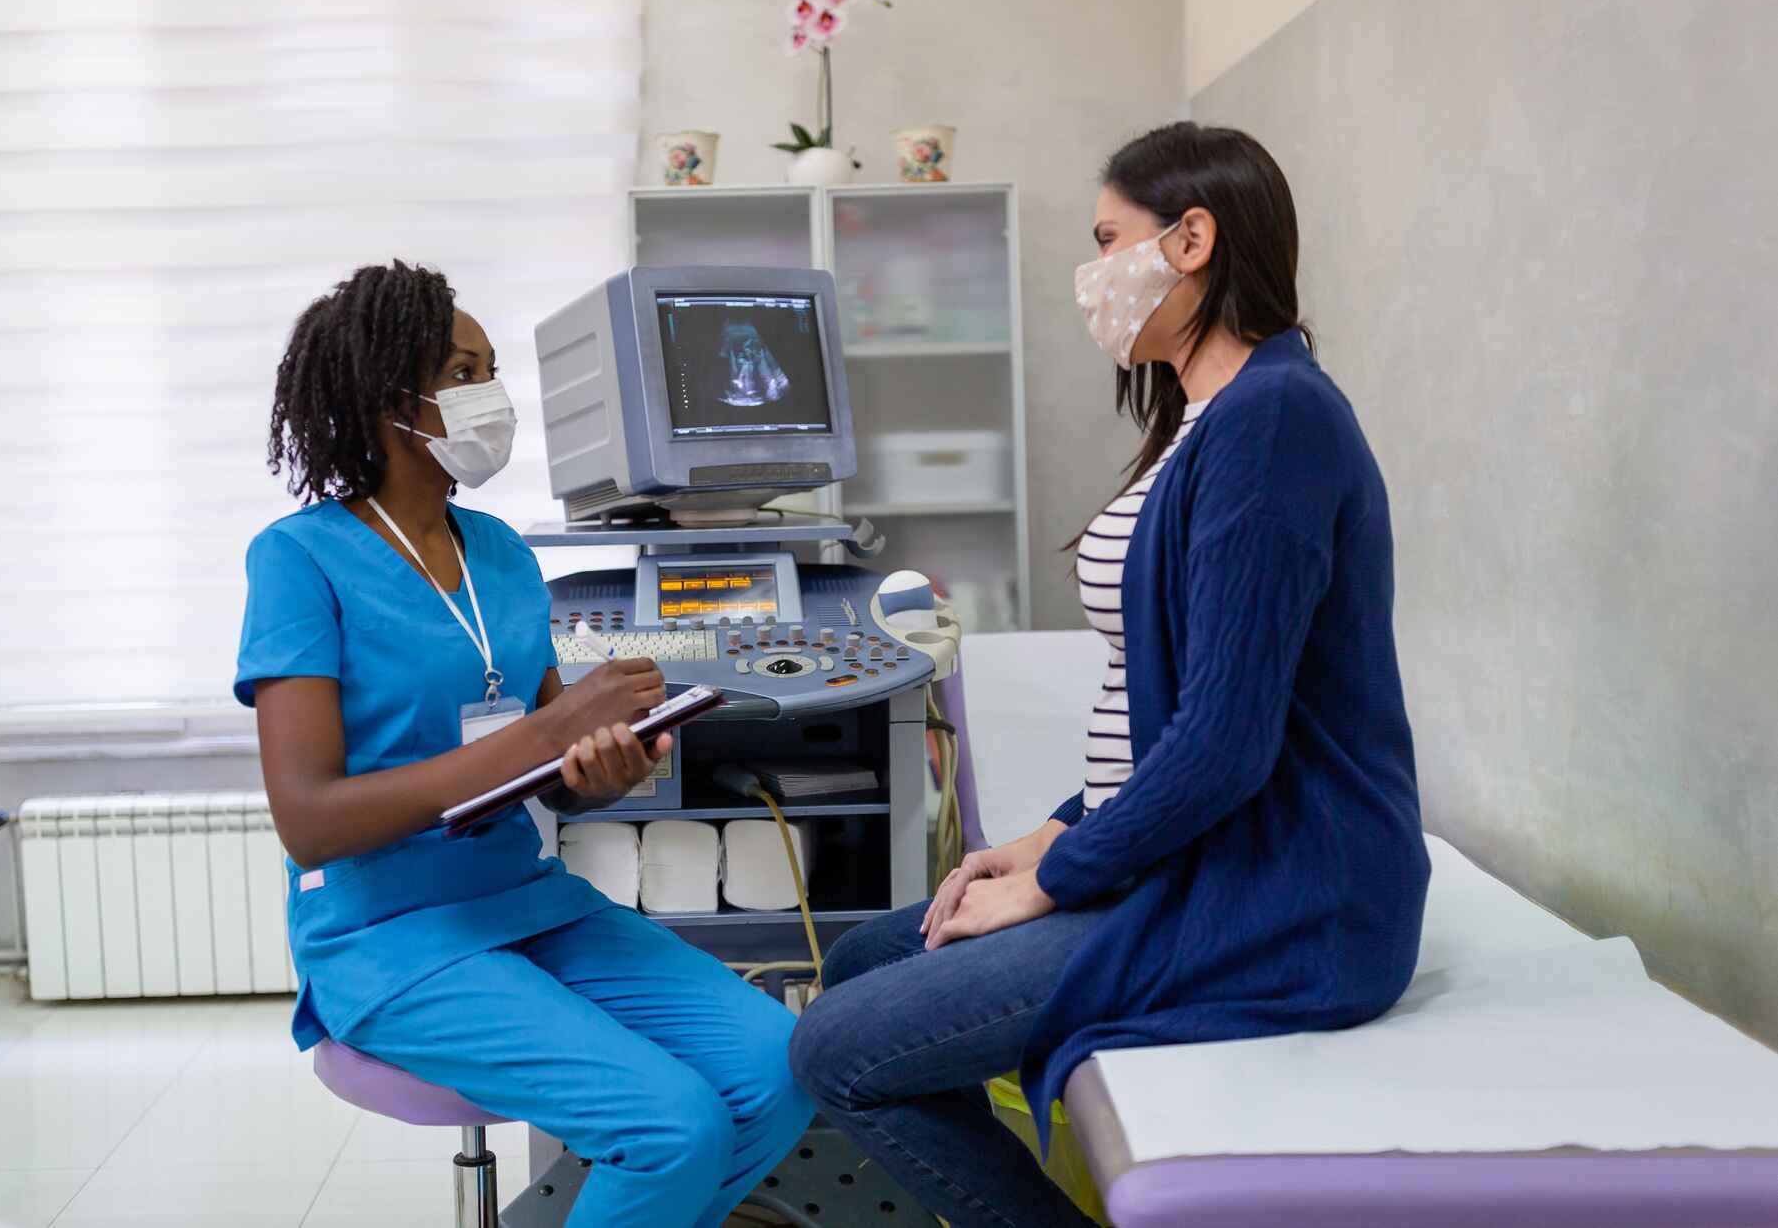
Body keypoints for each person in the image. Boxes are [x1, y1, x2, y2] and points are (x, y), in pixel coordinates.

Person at [788, 123, 1430, 1228]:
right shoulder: (1206, 421)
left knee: (833, 1049)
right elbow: (1165, 709)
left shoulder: (1275, 421)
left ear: (1192, 240)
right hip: (1187, 856)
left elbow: (1225, 741)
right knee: (861, 960)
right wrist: (1053, 831)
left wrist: (1060, 875)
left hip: (1277, 895)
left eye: (1106, 239)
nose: (1091, 277)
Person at [236, 261, 812, 1228]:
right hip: (389, 934)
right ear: (388, 391)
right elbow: (309, 821)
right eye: (464, 370)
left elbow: (556, 777)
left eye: (490, 368)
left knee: (778, 1068)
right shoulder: (298, 559)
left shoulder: (499, 550)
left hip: (528, 903)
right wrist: (549, 729)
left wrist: (604, 766)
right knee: (670, 1126)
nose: (489, 394)